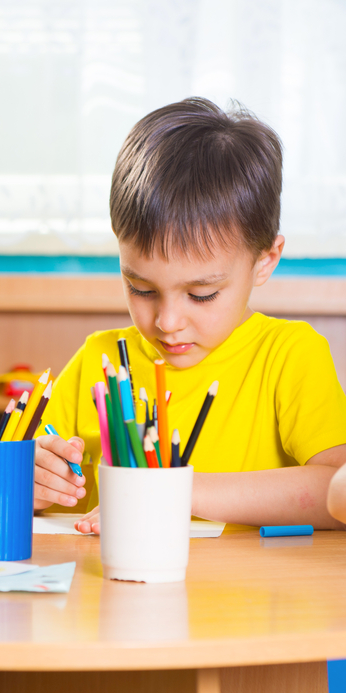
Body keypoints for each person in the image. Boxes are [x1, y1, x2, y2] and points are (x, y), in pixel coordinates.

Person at [34, 98, 346, 534]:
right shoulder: (99, 360)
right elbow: (20, 481)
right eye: (141, 289)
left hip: (247, 598)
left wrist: (176, 492)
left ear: (265, 260)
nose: (167, 321)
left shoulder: (289, 356)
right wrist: (30, 480)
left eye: (202, 294)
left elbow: (338, 490)